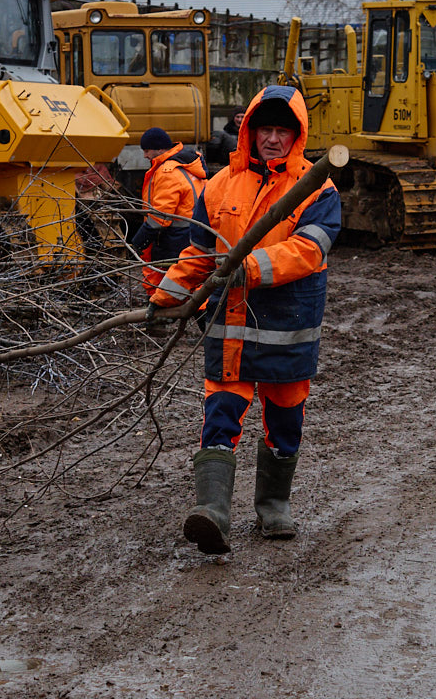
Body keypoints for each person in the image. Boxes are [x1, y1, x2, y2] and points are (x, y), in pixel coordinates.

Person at [149, 85, 341, 555]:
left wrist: (245, 267)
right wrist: (165, 298)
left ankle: (274, 505)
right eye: (265, 129)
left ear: (296, 136)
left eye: (282, 131)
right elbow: (199, 251)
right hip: (230, 327)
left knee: (285, 418)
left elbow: (308, 251)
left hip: (287, 328)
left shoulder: (319, 188)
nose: (272, 139)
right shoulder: (218, 185)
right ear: (249, 131)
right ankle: (212, 511)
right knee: (220, 414)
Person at [131, 127, 206, 300]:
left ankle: (161, 317)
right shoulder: (189, 165)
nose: (145, 155)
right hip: (192, 235)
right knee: (191, 282)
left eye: (147, 150)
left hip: (173, 239)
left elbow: (160, 216)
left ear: (159, 149)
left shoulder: (168, 172)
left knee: (165, 283)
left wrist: (140, 240)